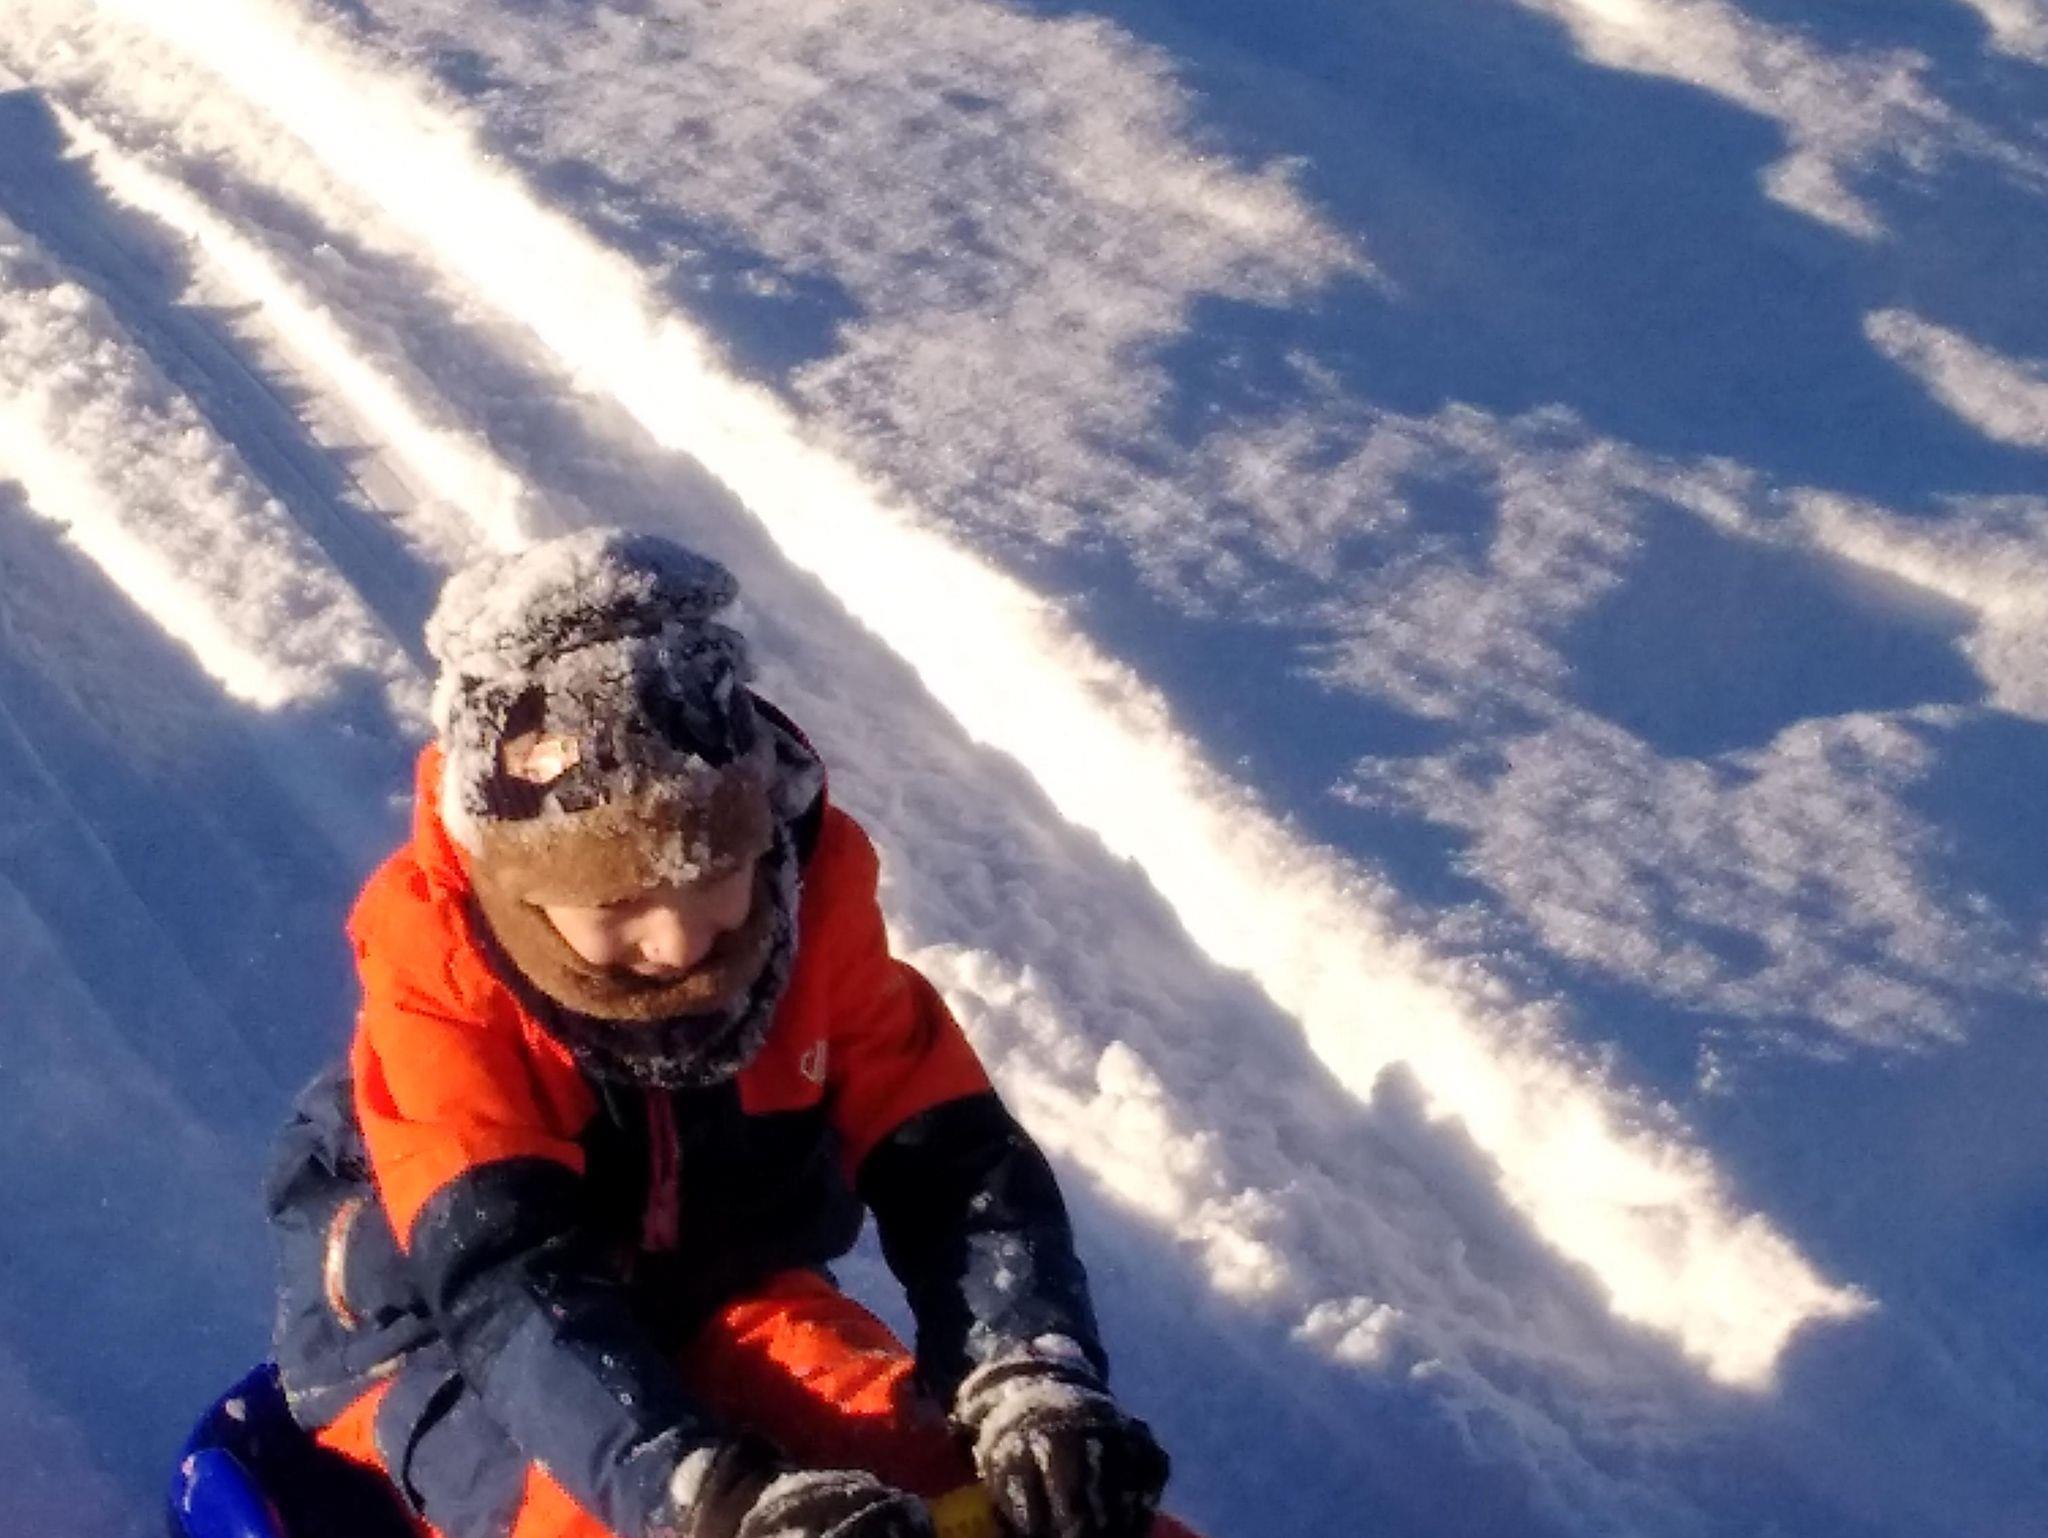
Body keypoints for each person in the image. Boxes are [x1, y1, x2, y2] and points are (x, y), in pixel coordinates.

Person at [264, 530, 1172, 1538]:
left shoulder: (809, 911)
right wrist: (713, 1495)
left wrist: (1025, 1375)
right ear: (522, 887)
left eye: (712, 875)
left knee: (947, 1462)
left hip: (718, 1281)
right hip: (453, 1339)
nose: (677, 940)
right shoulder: (445, 986)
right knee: (586, 1517)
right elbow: (506, 1280)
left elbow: (953, 1159)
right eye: (616, 902)